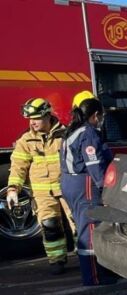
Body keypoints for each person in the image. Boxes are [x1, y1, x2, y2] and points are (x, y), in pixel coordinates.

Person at [7, 98, 74, 275]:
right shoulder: (26, 140)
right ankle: (57, 260)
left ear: (47, 116)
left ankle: (86, 257)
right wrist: (13, 188)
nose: (32, 123)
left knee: (77, 223)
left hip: (67, 189)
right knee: (50, 226)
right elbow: (18, 166)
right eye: (30, 119)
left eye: (36, 118)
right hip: (43, 193)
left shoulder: (65, 135)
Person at [60, 97, 117, 285]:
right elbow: (94, 165)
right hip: (84, 183)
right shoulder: (88, 133)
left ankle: (99, 271)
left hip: (69, 182)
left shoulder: (72, 130)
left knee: (84, 226)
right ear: (96, 115)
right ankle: (94, 276)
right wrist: (105, 190)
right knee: (91, 228)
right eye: (101, 116)